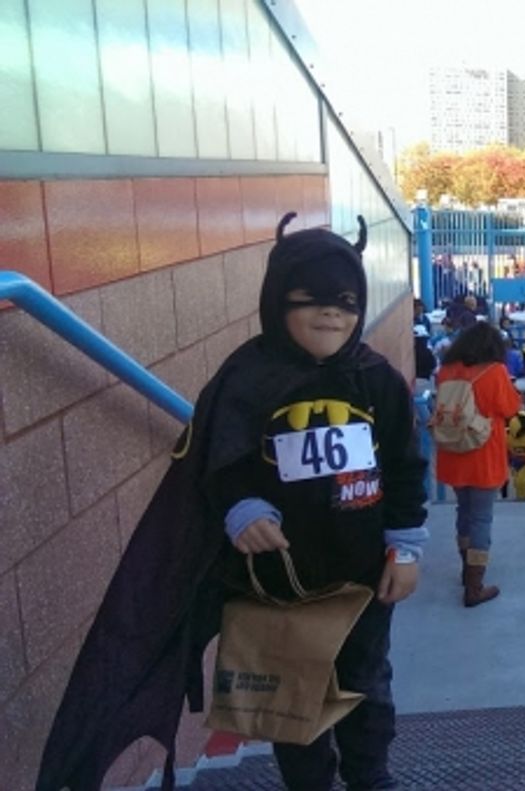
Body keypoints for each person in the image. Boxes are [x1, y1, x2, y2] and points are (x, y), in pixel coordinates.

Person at [41, 214, 428, 790]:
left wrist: (406, 543)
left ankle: (373, 780)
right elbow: (216, 459)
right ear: (277, 300)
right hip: (274, 586)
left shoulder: (376, 380)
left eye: (346, 303)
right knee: (293, 707)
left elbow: (403, 464)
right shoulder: (244, 378)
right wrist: (241, 505)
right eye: (312, 299)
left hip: (362, 582)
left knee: (367, 689)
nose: (331, 314)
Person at [435, 321, 522, 607]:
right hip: (484, 453)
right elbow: (510, 409)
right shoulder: (495, 372)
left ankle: (465, 570)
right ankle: (475, 586)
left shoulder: (445, 371)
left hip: (453, 452)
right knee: (482, 518)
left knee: (464, 511)